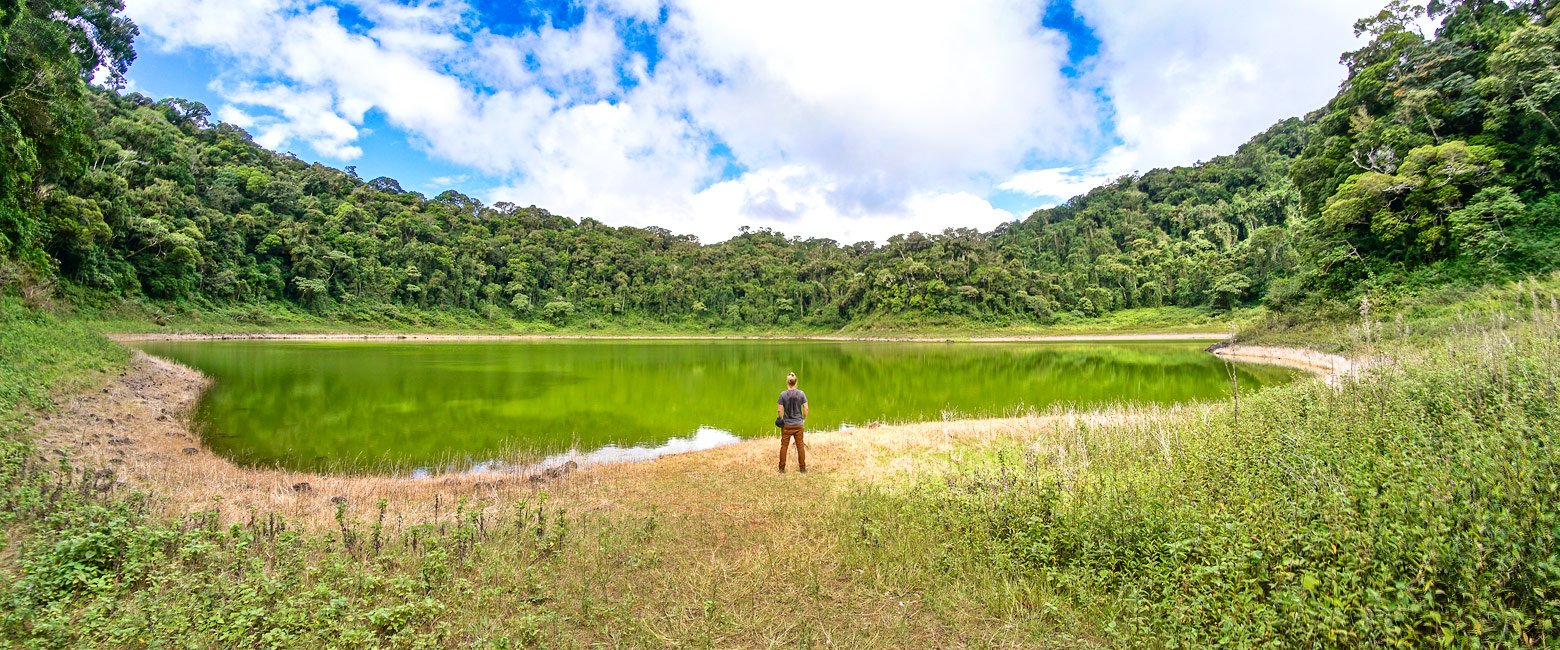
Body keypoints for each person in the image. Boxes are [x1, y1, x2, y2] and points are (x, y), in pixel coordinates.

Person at [776, 372, 809, 473]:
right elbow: (806, 408)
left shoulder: (783, 394)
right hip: (798, 424)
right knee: (800, 446)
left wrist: (780, 418)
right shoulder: (801, 393)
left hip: (787, 425)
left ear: (787, 382)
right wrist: (803, 419)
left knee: (784, 446)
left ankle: (781, 468)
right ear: (795, 382)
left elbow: (779, 410)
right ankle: (802, 468)